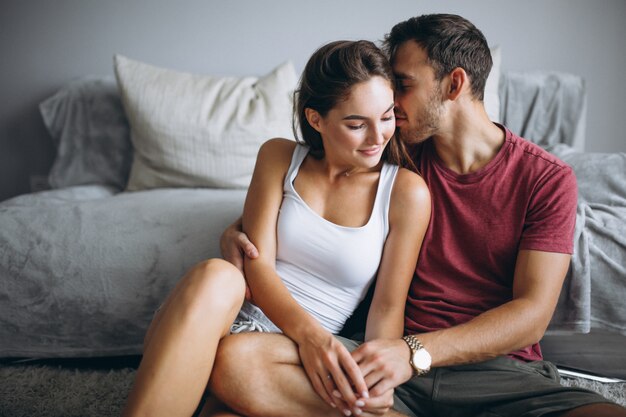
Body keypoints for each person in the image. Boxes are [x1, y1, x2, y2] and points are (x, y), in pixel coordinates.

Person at [212, 14, 626, 417]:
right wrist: (241, 231)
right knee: (237, 366)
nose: (389, 103)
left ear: (455, 84)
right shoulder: (392, 155)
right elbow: (310, 192)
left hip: (498, 372)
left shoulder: (546, 179)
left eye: (403, 85)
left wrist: (414, 353)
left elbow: (531, 315)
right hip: (387, 365)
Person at [122, 40, 431, 417]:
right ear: (316, 119)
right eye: (356, 124)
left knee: (229, 384)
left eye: (386, 117)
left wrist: (378, 378)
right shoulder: (279, 156)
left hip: (284, 360)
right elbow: (257, 263)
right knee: (217, 275)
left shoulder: (404, 192)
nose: (378, 137)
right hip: (220, 324)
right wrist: (312, 338)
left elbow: (386, 307)